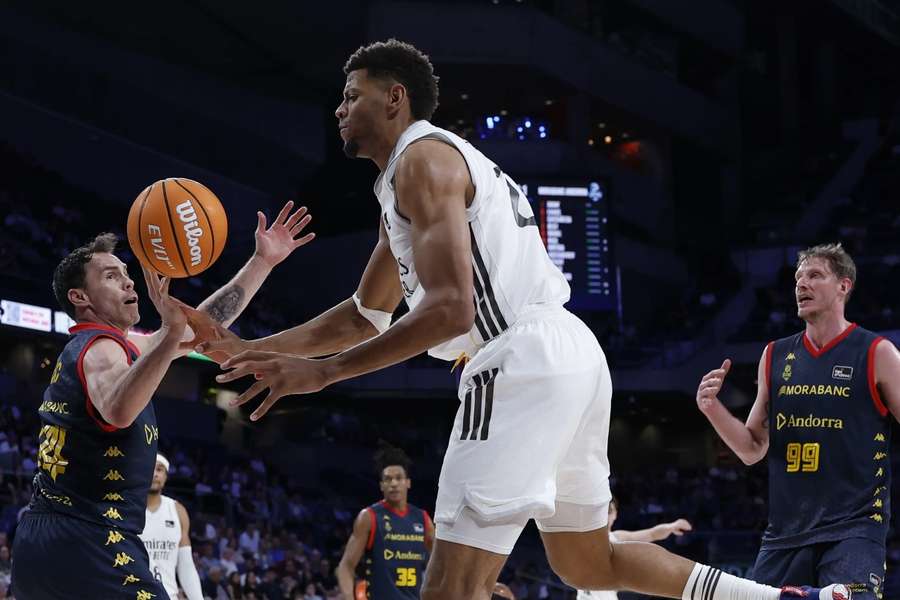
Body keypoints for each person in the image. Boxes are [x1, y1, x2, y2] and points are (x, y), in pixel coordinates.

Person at [201, 40, 850, 600]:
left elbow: (450, 309)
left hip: (518, 359)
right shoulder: (412, 180)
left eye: (352, 96)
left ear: (394, 98)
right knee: (588, 562)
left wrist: (324, 374)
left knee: (450, 587)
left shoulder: (422, 163)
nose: (340, 109)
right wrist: (253, 347)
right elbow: (365, 314)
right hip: (572, 355)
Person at [11, 201, 314, 600]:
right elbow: (118, 410)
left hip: (46, 540)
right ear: (80, 297)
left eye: (127, 274)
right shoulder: (100, 348)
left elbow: (200, 330)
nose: (129, 283)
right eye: (111, 276)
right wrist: (171, 335)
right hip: (87, 539)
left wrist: (262, 262)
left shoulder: (111, 349)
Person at [697, 243, 900, 600]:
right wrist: (712, 407)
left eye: (815, 275)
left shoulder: (877, 352)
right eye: (798, 278)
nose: (801, 284)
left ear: (844, 286)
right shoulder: (775, 354)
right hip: (784, 533)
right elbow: (752, 449)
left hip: (853, 529)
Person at [335, 444, 434, 600]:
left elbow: (441, 565)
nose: (393, 483)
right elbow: (345, 567)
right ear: (382, 485)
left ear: (408, 483)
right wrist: (349, 597)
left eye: (399, 478)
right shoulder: (369, 517)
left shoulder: (423, 519)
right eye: (388, 479)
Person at [577, 497, 692, 599]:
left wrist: (671, 526)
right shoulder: (583, 537)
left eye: (609, 511)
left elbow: (652, 534)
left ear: (615, 514)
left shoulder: (617, 537)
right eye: (603, 511)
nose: (605, 515)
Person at [139, 452, 203, 600]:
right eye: (150, 468)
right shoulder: (129, 509)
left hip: (168, 596)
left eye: (159, 469)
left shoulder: (178, 510)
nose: (155, 474)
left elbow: (186, 566)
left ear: (166, 476)